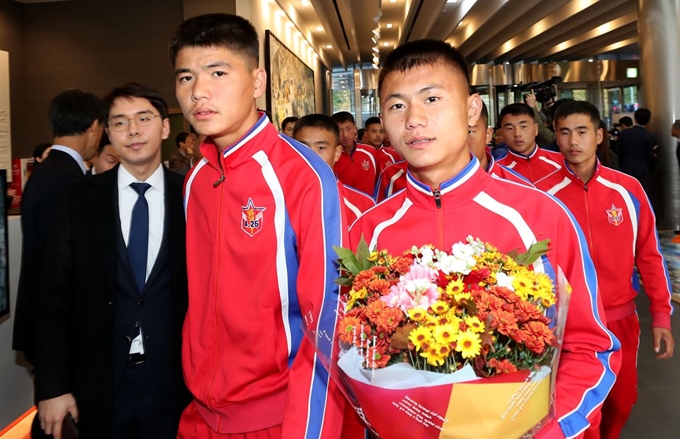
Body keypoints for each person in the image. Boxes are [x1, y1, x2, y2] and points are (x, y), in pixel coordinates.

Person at [351, 39, 620, 439]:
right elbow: (355, 347)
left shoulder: (539, 217)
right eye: (397, 105)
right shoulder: (369, 231)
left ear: (471, 109)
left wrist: (550, 428)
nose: (414, 120)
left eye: (432, 99)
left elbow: (589, 347)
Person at [169, 13, 347, 438]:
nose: (199, 92)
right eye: (186, 77)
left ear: (258, 80)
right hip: (199, 414)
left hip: (275, 416)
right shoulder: (196, 178)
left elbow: (330, 313)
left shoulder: (301, 174)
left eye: (217, 72)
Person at [34, 82, 190, 439]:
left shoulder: (191, 197)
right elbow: (51, 299)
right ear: (107, 132)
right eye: (119, 122)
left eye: (143, 118)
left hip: (174, 384)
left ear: (165, 127)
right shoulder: (76, 200)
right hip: (97, 384)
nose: (133, 130)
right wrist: (52, 387)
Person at [535, 100, 674, 439]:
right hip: (567, 326)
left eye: (582, 132)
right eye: (564, 132)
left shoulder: (628, 189)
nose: (573, 141)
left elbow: (651, 256)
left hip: (620, 319)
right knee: (576, 410)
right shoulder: (542, 196)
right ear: (556, 135)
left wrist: (661, 316)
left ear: (599, 135)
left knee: (622, 401)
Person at [13, 89, 105, 367]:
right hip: (59, 329)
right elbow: (65, 266)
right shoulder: (68, 181)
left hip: (45, 322)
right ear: (93, 127)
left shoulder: (45, 172)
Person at [293, 114, 374, 226]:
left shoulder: (363, 206)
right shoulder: (277, 201)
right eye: (303, 148)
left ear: (337, 153)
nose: (311, 156)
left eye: (321, 148)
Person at [495, 103, 563, 182]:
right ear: (502, 132)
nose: (517, 134)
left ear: (535, 129)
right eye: (510, 128)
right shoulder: (496, 171)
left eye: (523, 127)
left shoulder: (562, 162)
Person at [332, 111, 380, 196]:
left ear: (355, 128)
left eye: (348, 129)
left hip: (369, 205)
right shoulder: (331, 156)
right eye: (340, 131)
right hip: (344, 207)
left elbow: (377, 180)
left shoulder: (370, 152)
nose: (345, 135)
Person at [616, 108, 656, 195]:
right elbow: (649, 156)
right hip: (642, 172)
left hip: (625, 170)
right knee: (641, 196)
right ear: (648, 120)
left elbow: (618, 150)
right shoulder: (649, 136)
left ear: (635, 119)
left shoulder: (624, 133)